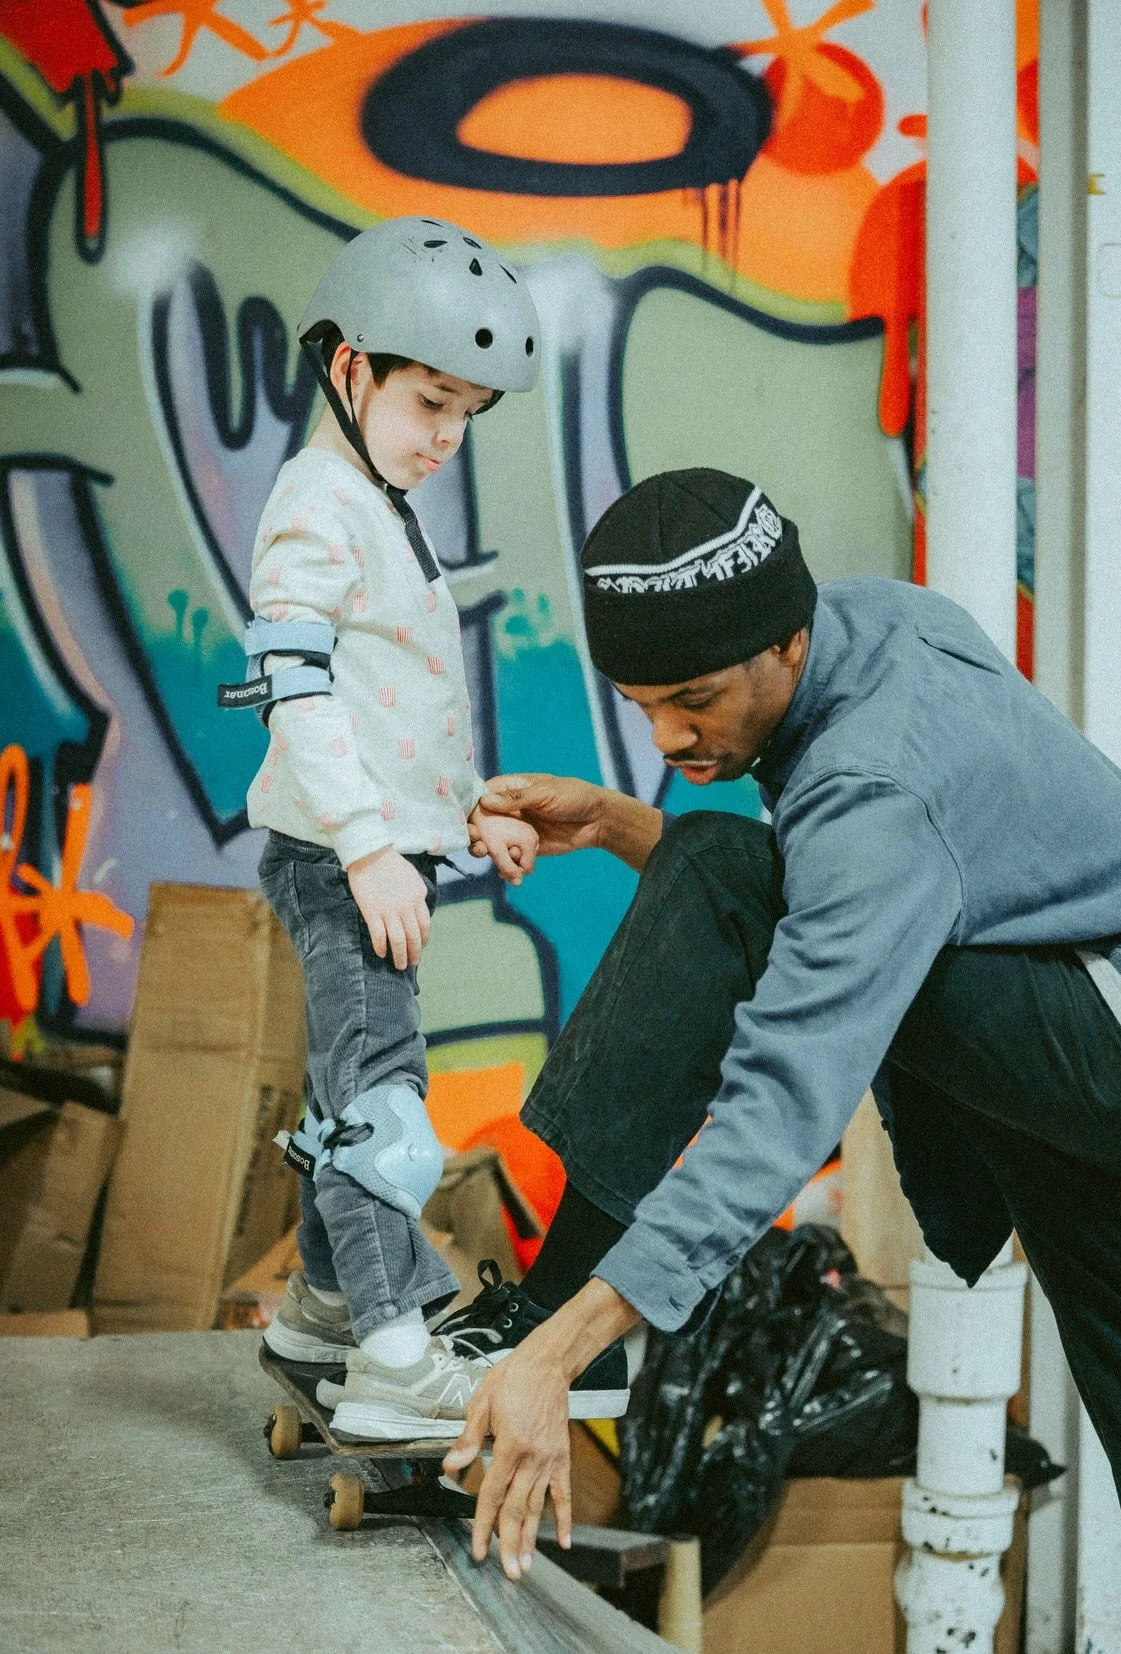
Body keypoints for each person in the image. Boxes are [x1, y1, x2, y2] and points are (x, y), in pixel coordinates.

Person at [442, 466, 1121, 1654]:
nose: (672, 737)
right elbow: (858, 896)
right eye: (644, 706)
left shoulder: (871, 781)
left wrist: (565, 1346)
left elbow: (784, 1085)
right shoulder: (878, 623)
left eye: (694, 701)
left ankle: (527, 1313)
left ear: (785, 642)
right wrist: (613, 819)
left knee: (723, 872)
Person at [226, 216, 628, 1441]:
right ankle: (397, 1351)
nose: (448, 435)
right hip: (340, 861)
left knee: (354, 1087)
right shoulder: (320, 503)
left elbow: (389, 701)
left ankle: (320, 1312)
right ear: (351, 368)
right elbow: (296, 687)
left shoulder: (375, 497)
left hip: (375, 854)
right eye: (429, 401)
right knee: (383, 1109)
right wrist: (365, 848)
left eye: (467, 413)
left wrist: (464, 816)